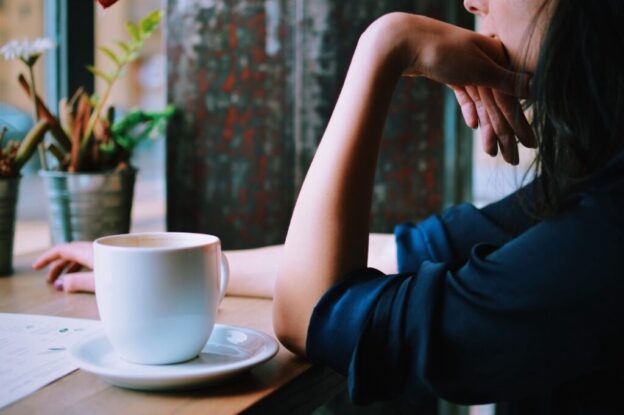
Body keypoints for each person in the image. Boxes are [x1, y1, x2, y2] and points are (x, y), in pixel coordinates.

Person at [34, 0, 624, 412]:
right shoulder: (598, 189)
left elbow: (311, 312)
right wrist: (171, 268)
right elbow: (407, 253)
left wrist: (387, 45)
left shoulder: (604, 237)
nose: (472, 2)